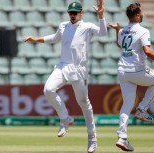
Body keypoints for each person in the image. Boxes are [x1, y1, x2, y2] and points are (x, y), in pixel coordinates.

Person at [23, 1, 106, 152]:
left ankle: (92, 139)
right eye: (70, 13)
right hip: (63, 66)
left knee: (84, 104)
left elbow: (103, 33)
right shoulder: (63, 25)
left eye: (75, 13)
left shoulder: (87, 27)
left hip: (79, 70)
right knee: (48, 89)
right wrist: (36, 39)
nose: (72, 15)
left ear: (81, 12)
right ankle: (65, 119)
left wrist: (101, 16)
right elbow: (54, 38)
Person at [108, 2, 154, 152]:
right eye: (141, 12)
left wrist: (117, 29)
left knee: (126, 105)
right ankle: (142, 109)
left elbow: (120, 44)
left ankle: (122, 138)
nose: (142, 14)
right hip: (136, 70)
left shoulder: (123, 30)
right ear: (137, 15)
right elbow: (147, 51)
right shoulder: (143, 30)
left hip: (122, 72)